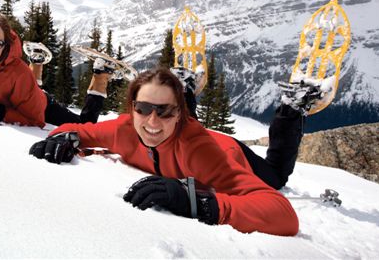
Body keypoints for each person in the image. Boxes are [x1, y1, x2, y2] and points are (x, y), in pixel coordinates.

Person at [28, 67, 320, 236]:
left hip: (228, 152)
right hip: (192, 135)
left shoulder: (200, 154)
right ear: (131, 108)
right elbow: (81, 130)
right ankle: (185, 87)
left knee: (276, 176)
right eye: (143, 109)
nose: (151, 121)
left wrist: (198, 203)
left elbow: (282, 214)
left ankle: (291, 110)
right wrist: (65, 138)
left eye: (165, 111)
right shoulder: (124, 128)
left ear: (179, 113)